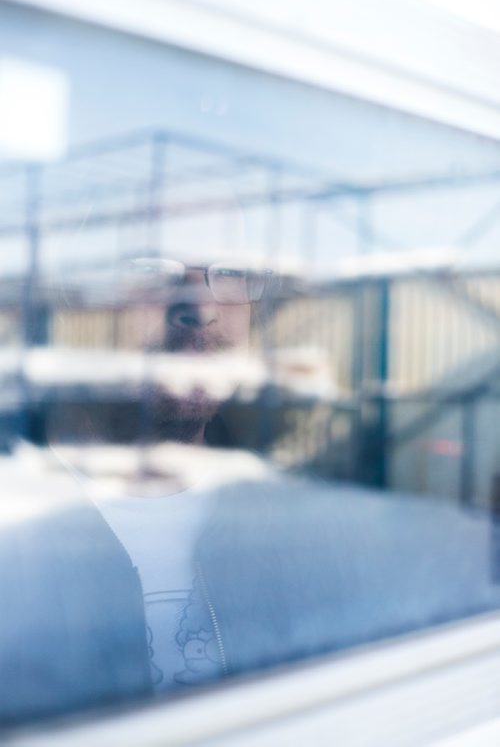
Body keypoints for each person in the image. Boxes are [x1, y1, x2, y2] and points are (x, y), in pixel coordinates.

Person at [2, 256, 500, 730]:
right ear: (77, 289)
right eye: (150, 267)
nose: (200, 306)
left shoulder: (293, 519)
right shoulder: (21, 522)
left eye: (231, 272)